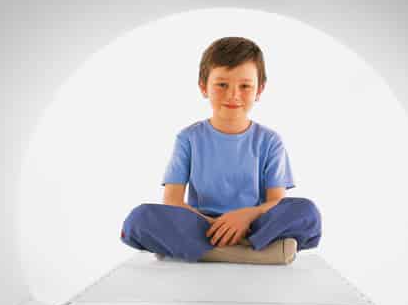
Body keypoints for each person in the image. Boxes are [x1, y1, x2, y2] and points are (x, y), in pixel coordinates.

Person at [120, 36, 322, 264]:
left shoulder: (270, 141)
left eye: (245, 86)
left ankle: (203, 252)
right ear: (203, 86)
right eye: (222, 85)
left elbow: (275, 201)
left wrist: (244, 217)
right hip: (201, 225)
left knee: (307, 212)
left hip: (254, 225)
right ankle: (258, 253)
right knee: (140, 219)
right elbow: (173, 200)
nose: (233, 95)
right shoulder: (188, 138)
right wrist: (217, 226)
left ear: (260, 90)